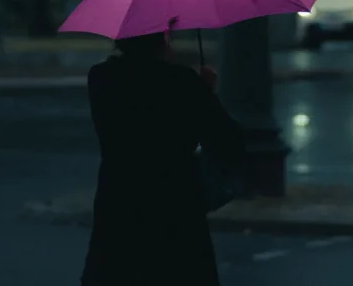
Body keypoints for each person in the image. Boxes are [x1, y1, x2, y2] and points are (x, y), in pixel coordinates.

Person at [81, 31, 244, 286]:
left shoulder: (101, 78)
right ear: (161, 40)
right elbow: (230, 142)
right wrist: (207, 93)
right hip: (174, 206)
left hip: (119, 203)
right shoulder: (182, 82)